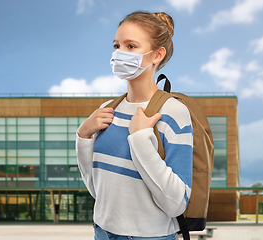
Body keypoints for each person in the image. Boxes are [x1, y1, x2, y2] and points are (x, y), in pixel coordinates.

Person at [76, 11, 193, 240]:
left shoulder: (173, 112)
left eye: (131, 46)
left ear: (157, 55)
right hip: (102, 232)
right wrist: (83, 136)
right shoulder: (109, 109)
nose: (119, 53)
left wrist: (140, 139)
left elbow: (176, 203)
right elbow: (97, 190)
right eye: (117, 45)